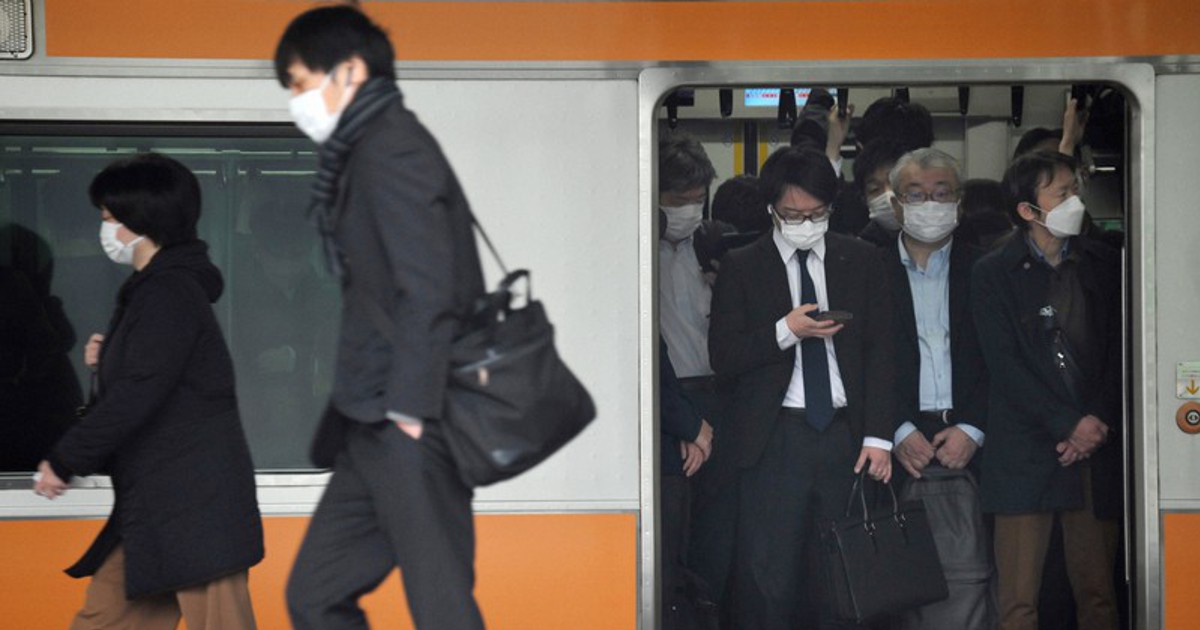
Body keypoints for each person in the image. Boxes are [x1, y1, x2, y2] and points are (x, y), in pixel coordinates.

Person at [275, 7, 487, 629]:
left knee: (442, 607)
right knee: (315, 597)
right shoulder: (364, 149)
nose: (295, 98)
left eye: (298, 80)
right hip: (368, 419)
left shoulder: (392, 145)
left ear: (350, 70)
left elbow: (430, 287)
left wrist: (410, 413)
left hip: (408, 418)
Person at [33, 153, 263, 629]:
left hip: (193, 507)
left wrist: (65, 458)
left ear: (141, 222)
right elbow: (153, 376)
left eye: (109, 219)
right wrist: (111, 355)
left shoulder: (168, 292)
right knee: (103, 619)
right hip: (157, 506)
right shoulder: (157, 290)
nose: (104, 231)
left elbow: (141, 391)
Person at [709, 146, 895, 629]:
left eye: (817, 214)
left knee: (845, 576)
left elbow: (883, 352)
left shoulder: (862, 258)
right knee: (768, 580)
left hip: (845, 435)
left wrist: (878, 436)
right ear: (772, 209)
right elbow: (723, 359)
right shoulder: (742, 264)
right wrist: (785, 331)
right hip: (774, 439)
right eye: (793, 214)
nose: (806, 223)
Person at [972, 151, 1122, 630]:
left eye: (1075, 190)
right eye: (1062, 193)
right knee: (1018, 602)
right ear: (1027, 211)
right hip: (1025, 450)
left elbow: (1121, 352)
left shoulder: (1102, 262)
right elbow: (1004, 366)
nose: (1074, 200)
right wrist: (1068, 425)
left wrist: (1094, 422)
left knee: (1099, 594)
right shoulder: (992, 271)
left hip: (1094, 449)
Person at [884, 149, 994, 628]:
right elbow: (861, 360)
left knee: (974, 583)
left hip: (973, 439)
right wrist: (896, 427)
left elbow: (1005, 362)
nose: (929, 204)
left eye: (941, 194)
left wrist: (974, 426)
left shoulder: (989, 269)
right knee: (892, 590)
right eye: (916, 195)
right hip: (894, 446)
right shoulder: (865, 270)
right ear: (895, 205)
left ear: (960, 202)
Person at [853, 138, 908, 247]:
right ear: (864, 199)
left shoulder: (942, 236)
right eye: (874, 189)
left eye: (894, 182)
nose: (889, 195)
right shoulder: (861, 248)